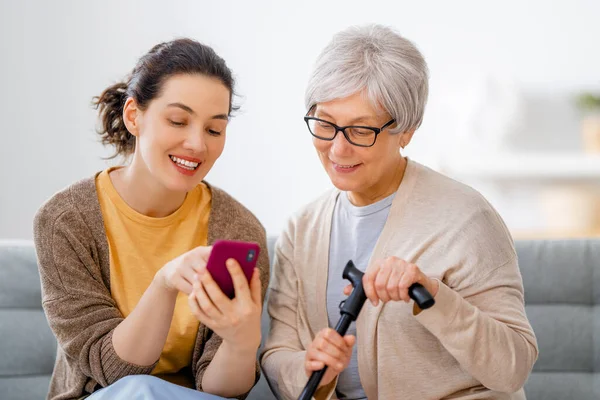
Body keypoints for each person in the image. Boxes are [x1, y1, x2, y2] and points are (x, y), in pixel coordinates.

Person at [261, 24, 538, 400]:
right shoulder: (302, 230)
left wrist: (435, 296)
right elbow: (278, 352)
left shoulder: (467, 218)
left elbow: (513, 366)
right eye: (325, 124)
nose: (338, 149)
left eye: (360, 130)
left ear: (406, 130)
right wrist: (308, 366)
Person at [33, 38, 269, 400]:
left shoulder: (239, 230)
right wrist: (164, 284)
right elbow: (112, 372)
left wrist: (242, 341)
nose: (197, 145)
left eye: (214, 130)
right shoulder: (65, 221)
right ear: (133, 116)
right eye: (178, 120)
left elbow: (221, 392)